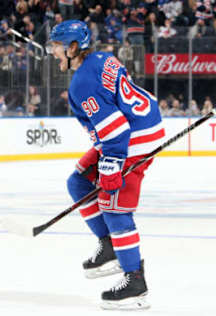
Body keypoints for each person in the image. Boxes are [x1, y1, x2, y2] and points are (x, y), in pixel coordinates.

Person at [47, 20, 165, 310]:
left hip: (132, 137)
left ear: (73, 48)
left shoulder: (82, 83)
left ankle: (135, 282)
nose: (52, 52)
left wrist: (111, 166)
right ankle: (109, 245)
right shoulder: (101, 57)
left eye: (57, 46)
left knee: (114, 204)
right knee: (78, 182)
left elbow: (116, 131)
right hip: (137, 124)